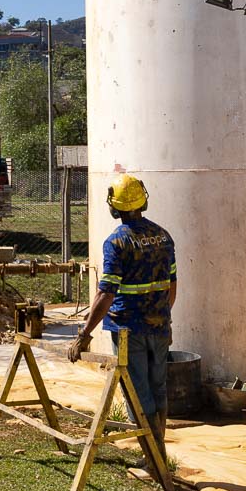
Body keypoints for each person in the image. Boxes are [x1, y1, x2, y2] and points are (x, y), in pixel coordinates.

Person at [68, 173, 178, 450]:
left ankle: (154, 458)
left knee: (138, 392)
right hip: (160, 325)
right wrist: (164, 316)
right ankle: (158, 452)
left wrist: (84, 333)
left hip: (130, 330)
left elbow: (106, 293)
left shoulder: (116, 242)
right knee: (158, 388)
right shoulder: (163, 236)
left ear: (113, 206)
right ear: (144, 202)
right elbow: (171, 284)